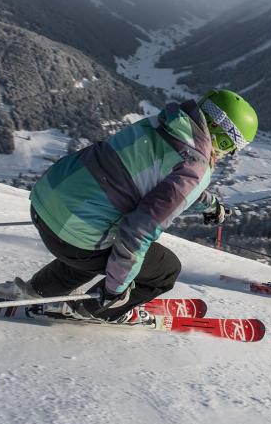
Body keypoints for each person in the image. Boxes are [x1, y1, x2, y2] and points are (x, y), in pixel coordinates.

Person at [13, 89, 258, 323]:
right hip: (74, 236)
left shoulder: (163, 124)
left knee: (98, 244)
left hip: (45, 202)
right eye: (233, 148)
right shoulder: (195, 167)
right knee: (165, 269)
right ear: (224, 139)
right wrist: (114, 290)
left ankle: (41, 289)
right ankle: (99, 309)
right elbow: (138, 231)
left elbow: (157, 181)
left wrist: (210, 205)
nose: (227, 155)